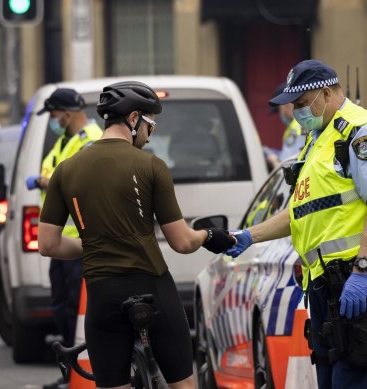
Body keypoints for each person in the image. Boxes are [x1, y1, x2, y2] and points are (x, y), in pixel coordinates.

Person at [37, 81, 234, 389]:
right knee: (183, 383)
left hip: (102, 294)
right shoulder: (151, 165)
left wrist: (91, 244)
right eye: (150, 124)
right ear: (133, 119)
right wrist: (209, 235)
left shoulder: (65, 170)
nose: (150, 133)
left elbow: (47, 244)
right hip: (152, 286)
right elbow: (182, 241)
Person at [226, 60, 367, 389]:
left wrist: (362, 270)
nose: (296, 112)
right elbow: (300, 211)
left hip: (355, 283)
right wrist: (250, 235)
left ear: (326, 92)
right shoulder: (318, 140)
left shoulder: (359, 132)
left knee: (353, 379)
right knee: (331, 376)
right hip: (326, 286)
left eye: (300, 103)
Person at [25, 88, 102, 389]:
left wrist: (43, 181)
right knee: (62, 309)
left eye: (55, 115)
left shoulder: (91, 139)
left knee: (77, 310)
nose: (53, 120)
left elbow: (73, 178)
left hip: (79, 241)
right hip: (59, 241)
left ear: (66, 114)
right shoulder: (65, 141)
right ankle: (71, 372)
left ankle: (83, 373)